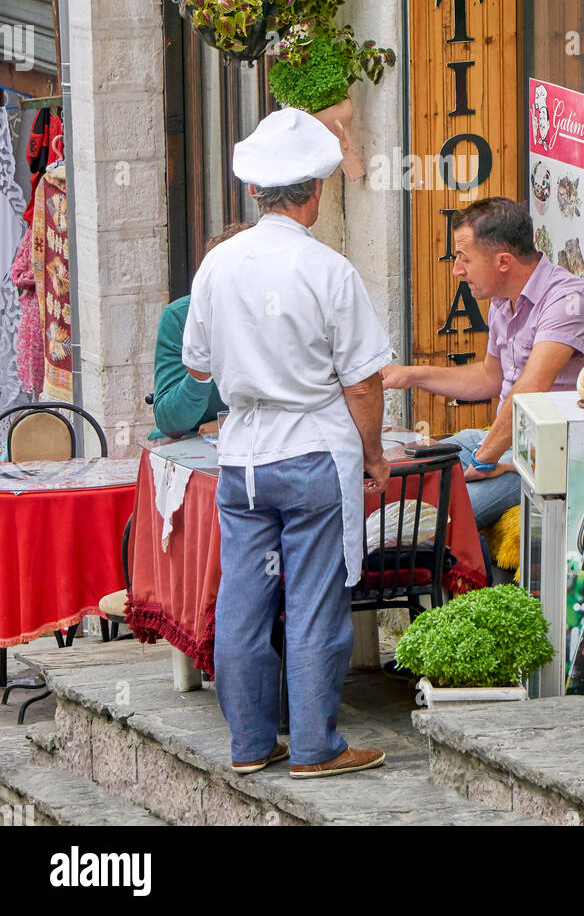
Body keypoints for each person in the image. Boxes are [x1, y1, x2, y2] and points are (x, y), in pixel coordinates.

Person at [182, 108, 394, 779]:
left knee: (243, 601)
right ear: (316, 191)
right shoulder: (328, 269)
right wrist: (375, 453)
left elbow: (196, 366)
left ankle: (250, 743)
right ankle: (315, 747)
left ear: (253, 192)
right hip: (312, 453)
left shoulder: (218, 264)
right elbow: (363, 384)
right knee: (313, 603)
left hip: (244, 459)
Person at [382, 197, 584, 529]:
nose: (456, 270)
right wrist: (409, 375)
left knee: (437, 523)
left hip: (550, 456)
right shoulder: (501, 300)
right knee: (399, 478)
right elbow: (489, 377)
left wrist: (483, 462)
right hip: (501, 444)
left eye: (464, 259)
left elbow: (529, 391)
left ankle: (470, 580)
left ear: (504, 261)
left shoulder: (567, 301)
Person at [149, 223, 251, 441]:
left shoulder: (279, 311)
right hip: (192, 441)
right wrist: (199, 376)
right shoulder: (180, 317)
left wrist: (226, 422)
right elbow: (170, 422)